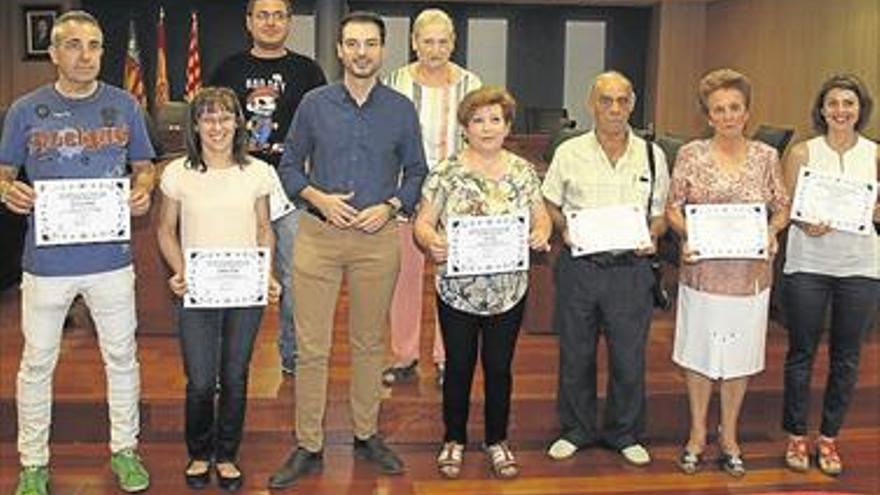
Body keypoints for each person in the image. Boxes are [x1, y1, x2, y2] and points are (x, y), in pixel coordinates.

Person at [267, 11, 428, 488]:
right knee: (311, 346)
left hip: (377, 239)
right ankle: (308, 443)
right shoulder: (314, 104)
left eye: (370, 44)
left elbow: (417, 171)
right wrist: (316, 197)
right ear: (339, 50)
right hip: (318, 237)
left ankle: (366, 432)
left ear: (383, 50)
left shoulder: (400, 108)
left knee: (368, 343)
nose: (361, 52)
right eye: (352, 44)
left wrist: (394, 204)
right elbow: (290, 166)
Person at [0, 11, 155, 495]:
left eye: (94, 45)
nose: (85, 55)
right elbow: (4, 173)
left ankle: (125, 450)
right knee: (38, 362)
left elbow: (145, 166)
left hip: (110, 257)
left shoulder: (125, 104)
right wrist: (7, 190)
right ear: (54, 53)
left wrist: (143, 189)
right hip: (47, 263)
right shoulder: (24, 109)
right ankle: (33, 463)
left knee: (122, 357)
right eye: (74, 45)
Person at [414, 86, 550, 479]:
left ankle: (497, 440)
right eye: (478, 120)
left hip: (508, 292)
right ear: (465, 127)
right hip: (457, 290)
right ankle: (453, 439)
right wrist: (431, 241)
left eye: (495, 119)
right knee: (457, 367)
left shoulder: (523, 171)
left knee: (499, 368)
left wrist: (540, 233)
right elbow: (423, 222)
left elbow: (540, 217)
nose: (487, 128)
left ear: (508, 126)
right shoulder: (446, 171)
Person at [666, 68, 790, 477]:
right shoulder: (690, 155)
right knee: (699, 357)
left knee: (739, 358)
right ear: (708, 114)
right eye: (718, 109)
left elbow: (782, 206)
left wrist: (771, 231)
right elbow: (672, 208)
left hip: (749, 277)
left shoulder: (766, 157)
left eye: (735, 107)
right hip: (703, 273)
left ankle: (730, 436)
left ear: (747, 111)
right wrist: (689, 232)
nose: (728, 115)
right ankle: (697, 433)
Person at [156, 87, 281, 492]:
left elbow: (264, 229)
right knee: (200, 381)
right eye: (208, 118)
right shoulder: (177, 172)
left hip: (245, 291)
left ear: (238, 123)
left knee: (235, 375)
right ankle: (198, 452)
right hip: (197, 291)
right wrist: (179, 271)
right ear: (195, 125)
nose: (217, 127)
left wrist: (266, 274)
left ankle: (226, 454)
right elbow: (164, 230)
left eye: (225, 118)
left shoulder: (259, 172)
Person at [541, 71, 669, 468]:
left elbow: (660, 214)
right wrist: (567, 229)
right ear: (591, 104)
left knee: (628, 356)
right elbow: (549, 202)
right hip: (581, 267)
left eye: (622, 101)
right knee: (576, 353)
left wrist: (652, 233)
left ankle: (623, 431)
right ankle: (576, 429)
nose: (614, 109)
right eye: (605, 100)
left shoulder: (652, 154)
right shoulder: (569, 152)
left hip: (631, 270)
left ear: (632, 104)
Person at [210, 0, 326, 377]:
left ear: (289, 22)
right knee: (238, 275)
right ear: (249, 22)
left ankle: (292, 357)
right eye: (263, 14)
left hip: (292, 192)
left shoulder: (307, 71)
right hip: (237, 190)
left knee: (295, 280)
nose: (271, 22)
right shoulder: (227, 69)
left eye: (279, 15)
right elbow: (207, 122)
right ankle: (232, 361)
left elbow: (323, 130)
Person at [780, 74, 879, 477]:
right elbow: (786, 207)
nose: (841, 111)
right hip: (809, 265)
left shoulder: (875, 154)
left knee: (847, 357)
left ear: (861, 110)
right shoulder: (803, 152)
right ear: (821, 109)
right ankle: (796, 434)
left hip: (861, 265)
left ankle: (829, 437)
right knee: (801, 353)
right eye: (833, 103)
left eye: (849, 104)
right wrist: (804, 223)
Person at [382, 8, 482, 388]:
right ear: (414, 43)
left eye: (443, 42)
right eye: (428, 41)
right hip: (407, 192)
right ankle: (404, 355)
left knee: (451, 277)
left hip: (457, 196)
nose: (435, 49)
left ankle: (447, 357)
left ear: (453, 43)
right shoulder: (394, 82)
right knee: (403, 279)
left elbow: (481, 136)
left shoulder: (471, 83)